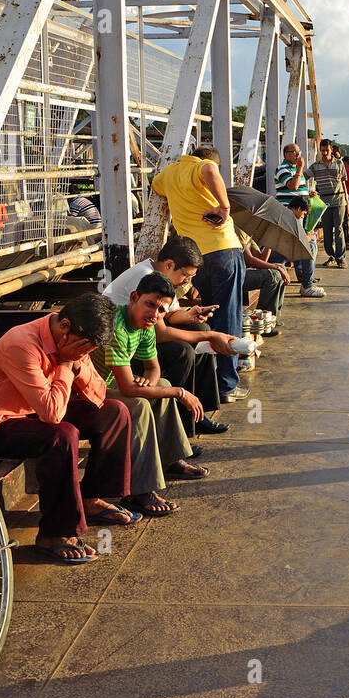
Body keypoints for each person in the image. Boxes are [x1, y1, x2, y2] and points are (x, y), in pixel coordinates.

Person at [0, 293, 132, 565]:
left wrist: (78, 366)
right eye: (84, 348)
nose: (85, 354)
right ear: (64, 327)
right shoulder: (22, 344)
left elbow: (98, 393)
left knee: (115, 412)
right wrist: (66, 365)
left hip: (36, 415)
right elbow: (53, 415)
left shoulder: (77, 340)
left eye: (90, 350)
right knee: (63, 435)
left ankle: (91, 499)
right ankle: (54, 534)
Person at [97, 272, 207, 517]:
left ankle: (170, 460)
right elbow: (127, 389)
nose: (155, 314)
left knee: (162, 384)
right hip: (89, 390)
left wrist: (151, 383)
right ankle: (137, 490)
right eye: (150, 304)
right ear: (134, 297)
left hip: (113, 384)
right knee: (139, 404)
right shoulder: (117, 325)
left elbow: (153, 368)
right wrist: (179, 393)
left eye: (161, 310)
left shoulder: (146, 326)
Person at [101, 236, 236, 434]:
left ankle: (198, 411)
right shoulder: (143, 278)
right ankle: (180, 421)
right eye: (185, 275)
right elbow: (161, 332)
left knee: (202, 330)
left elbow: (170, 315)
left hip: (138, 338)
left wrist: (191, 314)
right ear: (169, 264)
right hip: (119, 348)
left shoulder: (160, 278)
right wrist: (211, 336)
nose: (188, 282)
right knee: (182, 352)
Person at [152, 145, 249, 402]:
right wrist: (224, 208)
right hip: (223, 250)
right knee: (229, 315)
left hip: (193, 259)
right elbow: (208, 170)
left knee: (208, 316)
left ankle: (211, 382)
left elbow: (155, 185)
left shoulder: (171, 173)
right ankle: (227, 384)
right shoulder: (202, 167)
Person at [275, 144, 325, 298]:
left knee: (304, 245)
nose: (298, 155)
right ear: (286, 154)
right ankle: (307, 285)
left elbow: (298, 188)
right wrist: (300, 168)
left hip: (299, 215)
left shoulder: (296, 171)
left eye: (299, 152)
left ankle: (306, 280)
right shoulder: (282, 169)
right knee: (309, 244)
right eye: (294, 152)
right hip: (289, 216)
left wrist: (308, 193)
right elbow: (293, 185)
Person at [308, 138, 348, 268]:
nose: (325, 153)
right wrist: (310, 191)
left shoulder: (339, 164)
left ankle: (341, 258)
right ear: (320, 150)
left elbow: (343, 182)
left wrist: (347, 201)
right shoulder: (315, 166)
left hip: (339, 200)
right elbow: (304, 177)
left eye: (327, 150)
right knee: (327, 230)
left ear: (331, 150)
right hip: (324, 202)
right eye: (323, 150)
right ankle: (331, 254)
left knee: (339, 229)